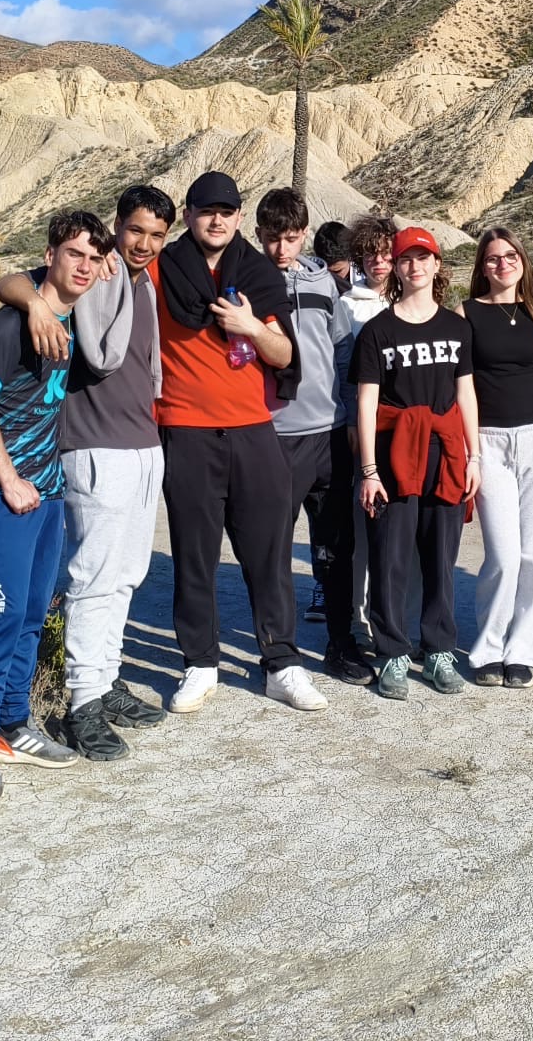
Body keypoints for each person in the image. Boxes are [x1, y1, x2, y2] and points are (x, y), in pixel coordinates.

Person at [0, 184, 173, 761]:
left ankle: (105, 678)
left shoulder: (141, 283)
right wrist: (35, 305)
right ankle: (82, 702)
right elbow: (10, 281)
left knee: (127, 575)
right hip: (94, 446)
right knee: (94, 577)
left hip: (142, 443)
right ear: (116, 226)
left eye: (156, 235)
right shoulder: (91, 272)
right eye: (135, 230)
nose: (143, 243)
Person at [157, 171, 328, 714]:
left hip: (253, 430)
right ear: (188, 214)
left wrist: (251, 326)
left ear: (237, 217)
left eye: (227, 211)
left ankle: (281, 663)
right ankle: (200, 662)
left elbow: (285, 354)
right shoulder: (160, 267)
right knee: (194, 555)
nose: (217, 220)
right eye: (207, 210)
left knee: (269, 552)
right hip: (185, 428)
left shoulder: (256, 273)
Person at [0, 210, 109, 801]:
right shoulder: (11, 325)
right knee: (0, 615)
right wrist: (9, 478)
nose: (84, 267)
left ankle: (12, 724)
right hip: (2, 495)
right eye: (74, 254)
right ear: (50, 256)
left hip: (47, 494)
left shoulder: (65, 321)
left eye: (93, 258)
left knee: (31, 614)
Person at [353, 226, 480, 699]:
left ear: (436, 265)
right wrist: (369, 471)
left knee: (441, 556)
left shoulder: (456, 328)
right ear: (396, 267)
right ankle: (392, 650)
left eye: (423, 257)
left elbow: (466, 393)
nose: (415, 266)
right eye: (406, 258)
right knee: (390, 555)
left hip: (445, 453)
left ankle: (439, 649)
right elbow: (367, 402)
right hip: (395, 453)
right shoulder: (377, 331)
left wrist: (474, 456)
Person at [460, 226, 533, 688]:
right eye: (493, 258)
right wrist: (469, 450)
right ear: (482, 267)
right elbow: (462, 387)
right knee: (502, 554)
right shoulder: (465, 314)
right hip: (489, 442)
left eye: (510, 256)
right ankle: (488, 647)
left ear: (523, 262)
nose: (502, 264)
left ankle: (523, 650)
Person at [256, 189, 343, 632]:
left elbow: (341, 346)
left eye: (290, 238)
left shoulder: (323, 283)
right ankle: (278, 634)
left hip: (330, 427)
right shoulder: (248, 282)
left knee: (332, 534)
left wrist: (348, 410)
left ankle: (329, 604)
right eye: (273, 238)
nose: (281, 249)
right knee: (275, 535)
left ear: (304, 235)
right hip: (277, 430)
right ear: (258, 235)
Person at [323, 214, 396, 679]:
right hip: (361, 432)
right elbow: (343, 369)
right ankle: (356, 617)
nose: (379, 262)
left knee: (399, 530)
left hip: (402, 432)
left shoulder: (411, 301)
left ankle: (395, 617)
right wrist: (352, 419)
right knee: (358, 529)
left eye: (386, 253)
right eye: (370, 254)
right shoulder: (347, 305)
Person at [314, 220, 355, 293]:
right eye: (324, 271)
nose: (330, 278)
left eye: (337, 272)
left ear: (350, 258)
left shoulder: (369, 279)